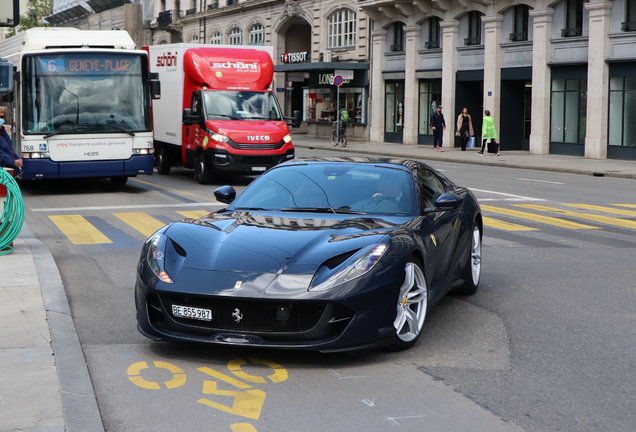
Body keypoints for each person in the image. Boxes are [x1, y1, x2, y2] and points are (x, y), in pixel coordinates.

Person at [0, 110, 22, 176]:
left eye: (2, 117)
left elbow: (10, 149)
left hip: (9, 167)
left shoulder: (3, 132)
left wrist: (17, 159)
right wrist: (13, 162)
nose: (0, 119)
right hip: (3, 168)